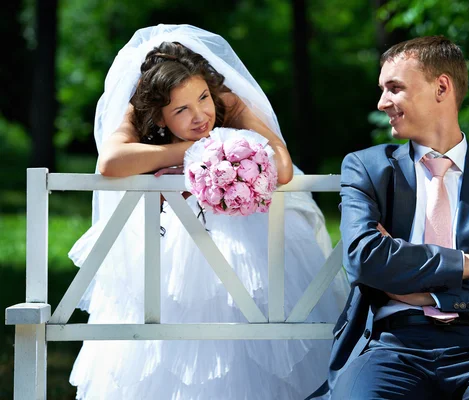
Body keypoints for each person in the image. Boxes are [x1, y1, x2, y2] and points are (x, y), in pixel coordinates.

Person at [68, 24, 349, 400]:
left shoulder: (226, 102)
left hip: (244, 232)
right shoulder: (139, 113)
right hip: (166, 243)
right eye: (181, 109)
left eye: (202, 97)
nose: (200, 115)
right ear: (159, 116)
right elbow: (111, 162)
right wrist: (189, 152)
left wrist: (222, 145)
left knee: (250, 321)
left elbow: (282, 168)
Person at [308, 36, 469, 399]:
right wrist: (466, 264)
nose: (383, 102)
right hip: (392, 346)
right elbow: (365, 259)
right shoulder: (367, 168)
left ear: (441, 87)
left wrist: (431, 296)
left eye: (395, 88)